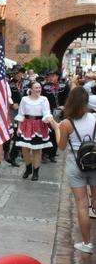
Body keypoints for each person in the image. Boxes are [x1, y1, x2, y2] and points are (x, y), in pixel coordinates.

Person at [54, 87, 96, 253]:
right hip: (94, 162)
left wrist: (56, 129)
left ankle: (87, 244)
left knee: (82, 205)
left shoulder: (66, 123)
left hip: (76, 165)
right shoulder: (94, 118)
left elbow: (61, 146)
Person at [15, 81, 54, 181]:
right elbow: (21, 113)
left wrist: (48, 119)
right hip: (27, 124)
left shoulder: (44, 99)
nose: (39, 89)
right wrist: (19, 127)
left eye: (39, 87)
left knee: (37, 149)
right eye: (36, 88)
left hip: (39, 125)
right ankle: (28, 167)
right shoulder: (24, 99)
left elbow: (46, 112)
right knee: (24, 148)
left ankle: (36, 172)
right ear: (31, 89)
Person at [43, 70, 69, 162]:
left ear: (57, 76)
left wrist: (64, 106)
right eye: (49, 76)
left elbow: (68, 97)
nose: (50, 78)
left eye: (53, 76)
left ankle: (52, 154)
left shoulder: (64, 86)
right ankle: (45, 153)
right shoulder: (44, 87)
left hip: (60, 113)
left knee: (57, 133)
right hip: (49, 113)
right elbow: (42, 99)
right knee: (47, 133)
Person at [6, 66, 29, 167]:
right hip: (14, 112)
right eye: (15, 73)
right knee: (14, 133)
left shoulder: (28, 83)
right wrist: (11, 104)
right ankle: (8, 154)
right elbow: (6, 97)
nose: (17, 75)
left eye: (19, 72)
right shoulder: (9, 84)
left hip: (26, 111)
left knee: (21, 134)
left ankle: (13, 156)